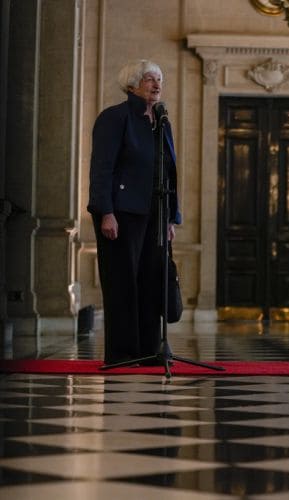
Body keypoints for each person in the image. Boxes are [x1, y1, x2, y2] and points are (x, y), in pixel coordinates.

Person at [87, 59, 181, 364]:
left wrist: (171, 217)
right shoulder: (114, 118)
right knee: (122, 284)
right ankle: (123, 354)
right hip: (121, 213)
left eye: (159, 79)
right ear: (131, 85)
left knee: (152, 282)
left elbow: (169, 172)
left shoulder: (161, 122)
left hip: (155, 214)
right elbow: (102, 169)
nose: (156, 84)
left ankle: (150, 351)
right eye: (149, 79)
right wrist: (105, 211)